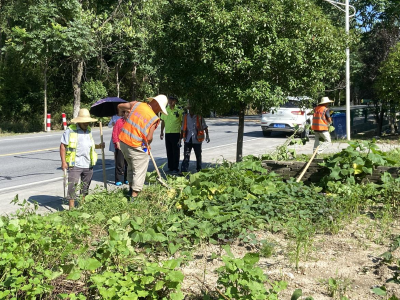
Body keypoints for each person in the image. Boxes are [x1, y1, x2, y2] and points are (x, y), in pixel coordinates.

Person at [117, 94, 168, 200]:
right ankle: (134, 197)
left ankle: (130, 190)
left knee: (131, 166)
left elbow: (120, 106)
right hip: (135, 145)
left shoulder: (137, 104)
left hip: (123, 142)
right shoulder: (154, 118)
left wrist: (122, 114)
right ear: (158, 106)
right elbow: (149, 138)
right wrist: (148, 144)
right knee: (140, 168)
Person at [60, 108, 105, 210]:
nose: (86, 123)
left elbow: (90, 145)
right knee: (72, 186)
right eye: (84, 121)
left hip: (88, 164)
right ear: (79, 121)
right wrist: (63, 162)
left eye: (88, 121)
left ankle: (82, 205)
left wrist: (99, 146)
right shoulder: (71, 130)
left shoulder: (89, 130)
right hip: (75, 163)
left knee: (85, 186)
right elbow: (63, 146)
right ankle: (71, 208)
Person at [180, 104, 210, 174]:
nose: (190, 110)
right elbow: (182, 129)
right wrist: (179, 139)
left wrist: (207, 135)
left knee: (198, 155)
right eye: (189, 109)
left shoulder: (199, 117)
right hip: (187, 139)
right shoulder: (185, 117)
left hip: (197, 140)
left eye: (192, 109)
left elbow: (204, 126)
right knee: (186, 155)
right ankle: (184, 170)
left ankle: (199, 169)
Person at [160, 95, 184, 174]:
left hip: (176, 133)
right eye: (169, 100)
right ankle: (170, 167)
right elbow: (163, 121)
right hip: (168, 133)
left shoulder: (179, 110)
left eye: (172, 100)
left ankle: (175, 168)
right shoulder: (165, 110)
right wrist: (161, 132)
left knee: (175, 151)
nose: (170, 102)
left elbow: (182, 122)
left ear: (175, 101)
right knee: (169, 150)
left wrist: (182, 134)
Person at [112, 110, 129, 186]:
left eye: (129, 112)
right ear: (123, 113)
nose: (128, 114)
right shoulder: (119, 121)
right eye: (126, 112)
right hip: (120, 144)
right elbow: (114, 133)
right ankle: (118, 180)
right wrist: (117, 142)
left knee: (128, 163)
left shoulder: (132, 122)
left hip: (129, 145)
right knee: (120, 163)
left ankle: (127, 178)